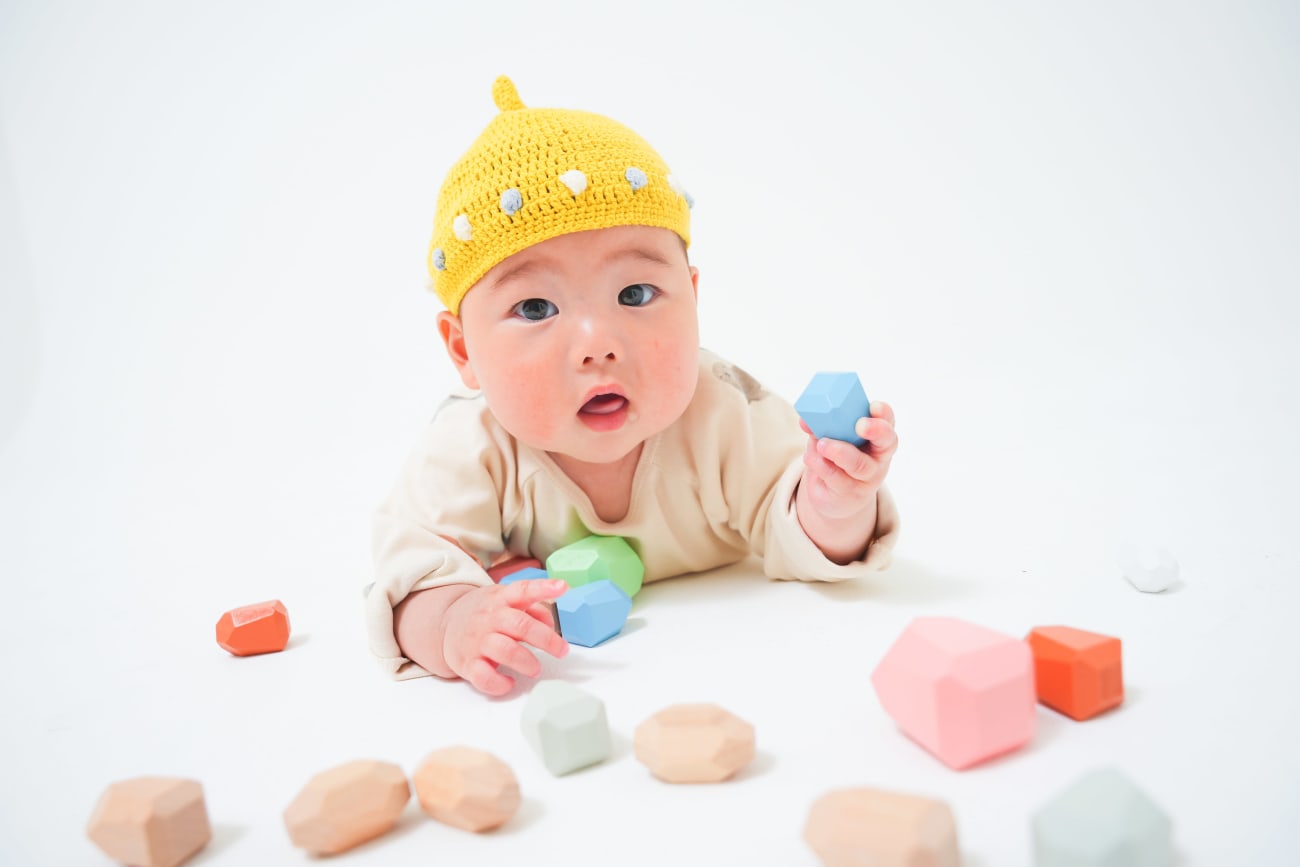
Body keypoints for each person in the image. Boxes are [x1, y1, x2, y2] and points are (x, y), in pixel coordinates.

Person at [365, 76, 900, 695]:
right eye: (536, 308)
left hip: (726, 665)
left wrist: (834, 504)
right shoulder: (469, 450)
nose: (598, 342)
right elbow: (410, 574)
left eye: (635, 294)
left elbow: (796, 527)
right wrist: (456, 617)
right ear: (464, 350)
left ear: (693, 300)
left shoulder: (722, 411)